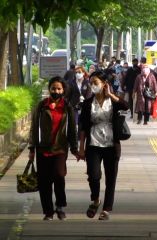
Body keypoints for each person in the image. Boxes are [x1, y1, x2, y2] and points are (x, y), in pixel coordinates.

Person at [78, 70, 129, 221]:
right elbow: (83, 127)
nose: (92, 86)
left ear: (104, 84)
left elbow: (125, 106)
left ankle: (106, 209)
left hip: (111, 145)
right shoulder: (87, 104)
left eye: (95, 83)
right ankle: (95, 199)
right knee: (93, 176)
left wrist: (111, 95)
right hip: (93, 143)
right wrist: (81, 148)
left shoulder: (113, 101)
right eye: (91, 83)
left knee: (110, 178)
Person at [28, 76, 79, 220]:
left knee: (59, 176)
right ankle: (48, 212)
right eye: (53, 88)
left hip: (60, 148)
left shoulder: (67, 107)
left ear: (63, 90)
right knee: (44, 181)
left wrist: (74, 148)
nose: (56, 91)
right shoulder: (42, 105)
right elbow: (34, 127)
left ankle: (60, 206)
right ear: (49, 89)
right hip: (43, 148)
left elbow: (72, 130)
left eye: (59, 88)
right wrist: (32, 148)